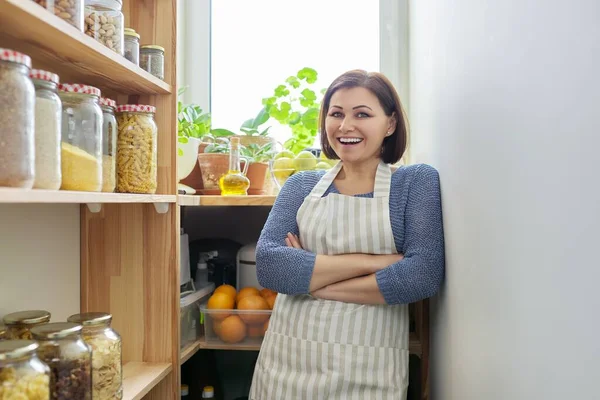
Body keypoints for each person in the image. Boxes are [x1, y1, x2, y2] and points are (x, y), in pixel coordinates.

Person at [249, 69, 445, 399]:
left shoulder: (414, 183)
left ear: (390, 124)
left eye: (362, 114)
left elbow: (421, 276)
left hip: (369, 371)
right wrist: (383, 261)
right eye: (336, 114)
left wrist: (312, 282)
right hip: (288, 367)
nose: (345, 126)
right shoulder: (301, 185)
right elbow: (270, 266)